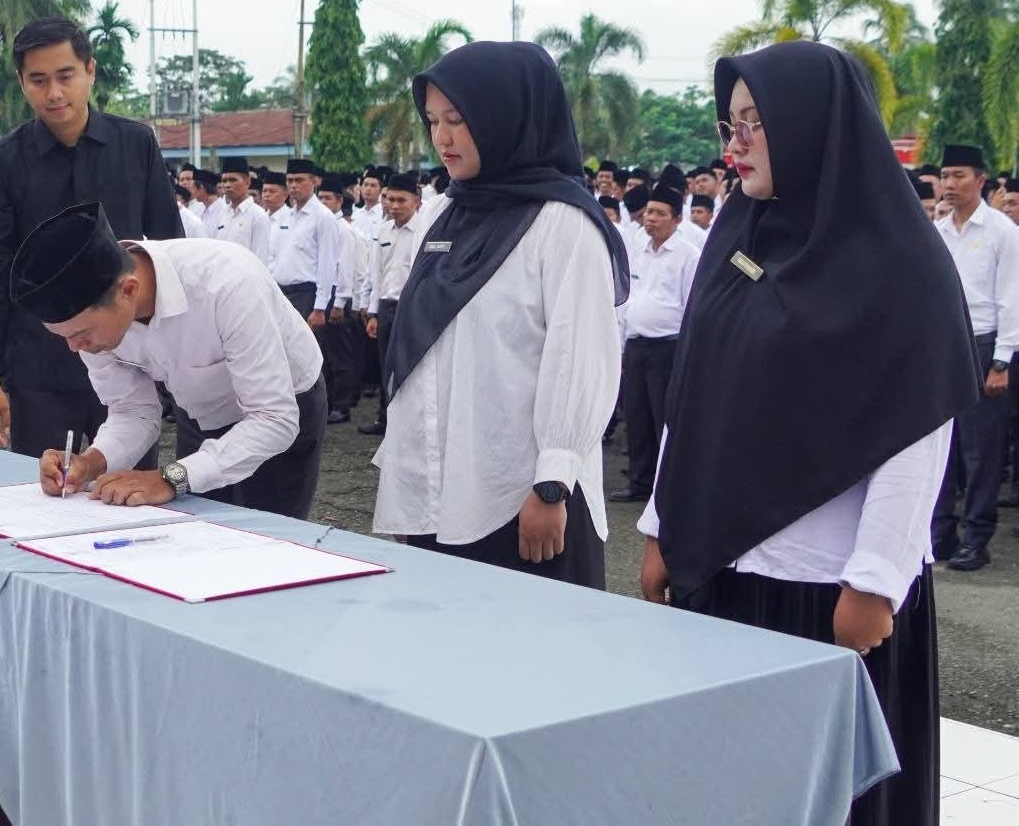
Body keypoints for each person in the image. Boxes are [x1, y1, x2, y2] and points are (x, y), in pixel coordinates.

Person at [641, 40, 977, 826]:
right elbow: (694, 389)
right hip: (725, 568)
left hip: (828, 593)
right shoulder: (738, 234)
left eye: (757, 122)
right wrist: (662, 524)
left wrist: (874, 582)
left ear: (814, 125)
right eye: (731, 123)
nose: (736, 144)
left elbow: (918, 424)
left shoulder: (904, 263)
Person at [372, 41, 628, 589]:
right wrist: (410, 485)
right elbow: (426, 354)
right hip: (444, 492)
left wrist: (552, 483)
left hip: (523, 500)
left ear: (506, 118)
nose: (442, 137)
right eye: (433, 120)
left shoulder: (563, 225)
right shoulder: (449, 214)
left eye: (459, 120)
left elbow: (581, 362)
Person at [17, 203, 326, 518]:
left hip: (282, 409)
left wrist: (171, 477)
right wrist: (90, 462)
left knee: (271, 543)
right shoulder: (92, 323)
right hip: (200, 412)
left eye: (81, 334)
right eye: (64, 336)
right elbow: (132, 411)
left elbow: (274, 419)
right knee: (198, 532)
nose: (74, 348)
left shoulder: (227, 284)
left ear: (129, 290)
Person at [0, 16, 183, 458]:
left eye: (65, 76)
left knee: (130, 491)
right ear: (21, 82)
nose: (54, 94)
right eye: (38, 80)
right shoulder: (3, 162)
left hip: (127, 354)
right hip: (40, 363)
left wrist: (175, 356)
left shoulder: (135, 144)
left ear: (90, 71)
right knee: (43, 493)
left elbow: (169, 248)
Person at [932, 144, 1019, 572]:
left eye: (959, 175)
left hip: (985, 346)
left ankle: (977, 536)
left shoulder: (1002, 231)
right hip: (943, 345)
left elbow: (1012, 300)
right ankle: (942, 532)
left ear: (981, 180)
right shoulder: (939, 229)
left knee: (982, 451)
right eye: (945, 175)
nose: (949, 184)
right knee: (942, 445)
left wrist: (1001, 361)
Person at [614, 185, 700, 503]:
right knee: (636, 417)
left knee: (664, 418)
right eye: (649, 211)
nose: (650, 218)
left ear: (677, 219)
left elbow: (693, 308)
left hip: (668, 348)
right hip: (637, 346)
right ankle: (640, 482)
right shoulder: (638, 249)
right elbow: (628, 300)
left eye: (659, 213)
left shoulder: (688, 256)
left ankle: (668, 489)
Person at [357, 173, 424, 438]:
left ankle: (412, 423)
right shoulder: (383, 230)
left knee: (412, 366)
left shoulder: (425, 230)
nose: (394, 205)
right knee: (386, 366)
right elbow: (377, 274)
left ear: (416, 201)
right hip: (386, 307)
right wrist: (372, 312)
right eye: (390, 199)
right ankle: (386, 421)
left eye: (401, 200)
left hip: (413, 308)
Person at [271, 159, 341, 323]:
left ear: (314, 181)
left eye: (299, 180)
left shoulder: (323, 217)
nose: (294, 185)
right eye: (290, 180)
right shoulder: (285, 216)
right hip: (282, 293)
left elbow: (327, 264)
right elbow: (275, 257)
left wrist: (319, 308)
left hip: (307, 295)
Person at [318, 180, 363, 424]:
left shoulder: (342, 229)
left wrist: (339, 302)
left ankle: (343, 405)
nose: (323, 202)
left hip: (337, 294)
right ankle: (331, 400)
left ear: (339, 201)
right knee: (325, 352)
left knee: (339, 354)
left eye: (328, 198)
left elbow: (345, 267)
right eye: (320, 198)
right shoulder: (323, 224)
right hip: (324, 291)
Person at [213, 160, 272, 261]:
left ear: (247, 182)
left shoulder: (258, 216)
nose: (227, 185)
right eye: (224, 180)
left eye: (233, 180)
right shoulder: (222, 213)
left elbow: (261, 259)